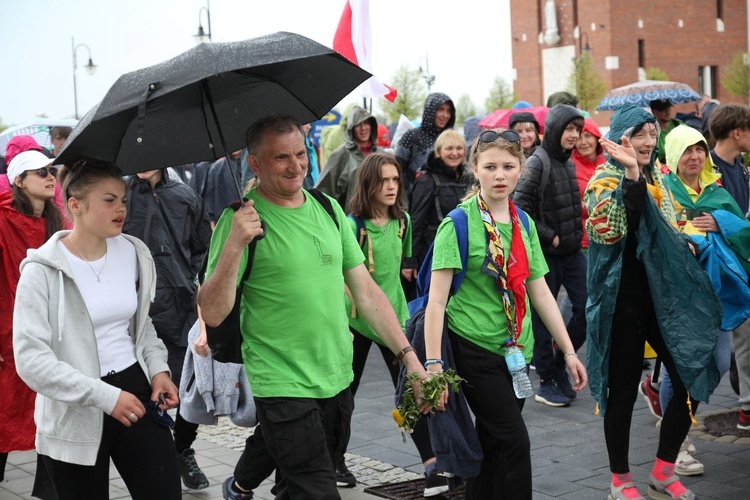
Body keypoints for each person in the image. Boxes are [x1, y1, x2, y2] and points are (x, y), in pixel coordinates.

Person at [197, 115, 429, 499]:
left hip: (337, 378)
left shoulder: (327, 208)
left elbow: (367, 293)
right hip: (282, 382)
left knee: (297, 491)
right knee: (318, 492)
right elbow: (213, 311)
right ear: (254, 164)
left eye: (300, 154)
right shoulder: (238, 221)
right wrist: (235, 244)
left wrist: (410, 359)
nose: (296, 166)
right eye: (280, 158)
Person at [423, 129, 587, 499]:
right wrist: (434, 365)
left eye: (508, 166)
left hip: (517, 351)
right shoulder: (458, 224)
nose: (500, 175)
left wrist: (570, 352)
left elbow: (541, 291)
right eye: (490, 166)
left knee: (494, 441)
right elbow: (436, 301)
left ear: (520, 171)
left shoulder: (523, 223)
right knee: (514, 442)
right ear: (475, 169)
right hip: (474, 348)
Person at [13, 158, 181, 499]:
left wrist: (158, 368)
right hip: (73, 403)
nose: (121, 208)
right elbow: (31, 361)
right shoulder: (41, 270)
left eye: (122, 199)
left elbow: (141, 324)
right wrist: (103, 395)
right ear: (75, 205)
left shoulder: (134, 252)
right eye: (109, 200)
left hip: (136, 390)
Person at [586, 104, 722, 500]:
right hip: (620, 301)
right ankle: (620, 481)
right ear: (621, 138)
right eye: (639, 134)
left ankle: (663, 470)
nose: (648, 142)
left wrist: (688, 243)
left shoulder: (659, 177)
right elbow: (609, 231)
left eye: (652, 134)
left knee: (692, 371)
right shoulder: (602, 179)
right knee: (623, 390)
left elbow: (670, 224)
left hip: (663, 300)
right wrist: (629, 174)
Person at [343, 152, 448, 496]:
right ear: (368, 183)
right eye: (383, 181)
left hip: (392, 319)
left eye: (395, 180)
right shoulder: (352, 224)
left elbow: (399, 272)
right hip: (355, 320)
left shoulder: (402, 220)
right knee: (345, 395)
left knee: (411, 388)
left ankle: (432, 464)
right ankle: (333, 459)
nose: (390, 187)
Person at [657, 124, 750, 476]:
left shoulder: (717, 192)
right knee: (678, 368)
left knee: (721, 361)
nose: (694, 157)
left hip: (717, 295)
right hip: (678, 297)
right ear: (673, 156)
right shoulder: (662, 193)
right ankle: (676, 445)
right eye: (687, 151)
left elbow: (744, 233)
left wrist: (721, 223)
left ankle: (677, 421)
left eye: (699, 150)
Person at [123, 167, 212, 490]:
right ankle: (153, 456)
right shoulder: (120, 195)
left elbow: (203, 247)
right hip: (133, 308)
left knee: (187, 388)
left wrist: (189, 280)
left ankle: (181, 449)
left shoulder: (185, 196)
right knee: (142, 387)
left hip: (179, 306)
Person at [512, 104, 588, 408]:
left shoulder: (568, 162)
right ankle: (545, 380)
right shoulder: (537, 163)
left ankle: (559, 362)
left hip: (572, 252)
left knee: (587, 308)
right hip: (547, 254)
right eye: (569, 128)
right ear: (556, 129)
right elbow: (520, 207)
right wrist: (550, 235)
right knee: (543, 319)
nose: (575, 135)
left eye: (577, 129)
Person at [0, 151, 65, 483]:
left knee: (52, 412)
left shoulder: (60, 221)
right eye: (40, 172)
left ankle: (49, 488)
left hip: (54, 331)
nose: (50, 176)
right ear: (19, 181)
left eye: (51, 169)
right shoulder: (2, 221)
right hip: (9, 334)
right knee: (6, 413)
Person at [708, 103, 750, 431]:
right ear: (737, 132)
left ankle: (746, 407)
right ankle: (660, 388)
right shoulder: (704, 164)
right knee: (714, 351)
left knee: (742, 339)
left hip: (740, 265)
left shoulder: (743, 168)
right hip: (714, 270)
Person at [409, 130, 470, 269]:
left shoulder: (468, 179)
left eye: (459, 148)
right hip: (433, 248)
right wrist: (410, 260)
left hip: (463, 245)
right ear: (438, 151)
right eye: (449, 148)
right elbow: (416, 221)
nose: (455, 153)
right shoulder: (427, 180)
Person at [316, 106, 379, 212]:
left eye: (366, 123)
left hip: (381, 221)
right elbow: (324, 191)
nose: (363, 128)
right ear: (351, 127)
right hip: (351, 221)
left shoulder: (381, 155)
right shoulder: (341, 155)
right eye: (358, 124)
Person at [395, 92, 456, 195]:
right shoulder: (412, 136)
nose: (445, 115)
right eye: (440, 109)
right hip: (414, 200)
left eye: (449, 111)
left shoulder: (452, 139)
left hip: (445, 200)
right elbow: (396, 170)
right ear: (430, 110)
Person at [571, 117, 605, 250]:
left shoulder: (608, 164)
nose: (583, 142)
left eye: (588, 136)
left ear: (597, 138)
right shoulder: (569, 166)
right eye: (579, 137)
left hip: (608, 237)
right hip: (582, 240)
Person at [650, 99, 684, 164]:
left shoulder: (681, 126)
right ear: (653, 111)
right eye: (662, 109)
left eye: (668, 107)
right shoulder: (651, 132)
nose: (667, 111)